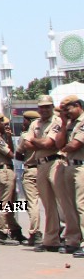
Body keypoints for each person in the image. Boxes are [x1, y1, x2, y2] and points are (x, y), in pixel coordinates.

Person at [24, 94, 68, 252]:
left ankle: (73, 238)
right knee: (48, 204)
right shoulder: (35, 123)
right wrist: (38, 143)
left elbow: (50, 143)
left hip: (55, 161)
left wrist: (34, 141)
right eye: (41, 107)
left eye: (47, 106)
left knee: (63, 203)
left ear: (52, 107)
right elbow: (25, 145)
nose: (44, 109)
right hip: (40, 163)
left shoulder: (56, 121)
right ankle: (51, 240)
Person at [49, 93, 83, 255]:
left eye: (67, 109)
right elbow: (59, 143)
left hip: (81, 166)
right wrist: (63, 123)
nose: (66, 113)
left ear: (78, 106)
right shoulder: (69, 123)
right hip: (69, 166)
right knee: (70, 207)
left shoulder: (82, 122)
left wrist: (64, 146)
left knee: (81, 205)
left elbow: (74, 145)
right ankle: (74, 240)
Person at [0, 112, 25, 245]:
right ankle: (1, 231)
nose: (5, 125)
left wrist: (8, 137)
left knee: (5, 202)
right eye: (2, 122)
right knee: (4, 203)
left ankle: (11, 230)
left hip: (3, 170)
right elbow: (10, 153)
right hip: (4, 170)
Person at [17, 110, 43, 245]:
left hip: (31, 169)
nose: (23, 123)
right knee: (49, 204)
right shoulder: (43, 134)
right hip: (43, 168)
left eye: (24, 120)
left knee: (32, 203)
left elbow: (18, 154)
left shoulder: (26, 136)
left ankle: (35, 232)